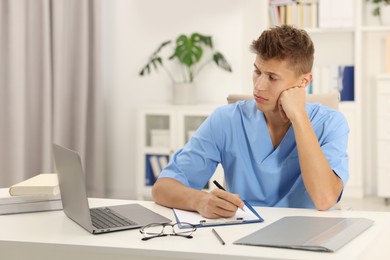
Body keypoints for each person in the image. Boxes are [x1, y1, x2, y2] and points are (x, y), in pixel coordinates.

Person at [152, 25, 349, 219]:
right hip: (242, 234)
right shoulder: (226, 120)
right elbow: (163, 188)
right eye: (257, 72)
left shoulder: (330, 123)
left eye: (272, 77)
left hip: (307, 237)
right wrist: (199, 200)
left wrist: (299, 117)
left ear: (304, 82)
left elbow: (325, 200)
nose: (259, 86)